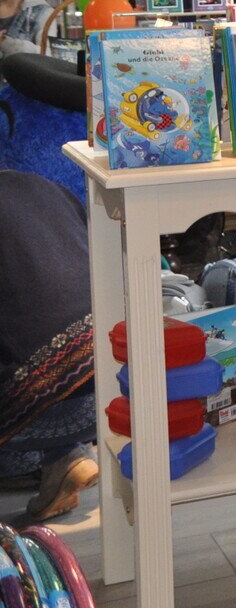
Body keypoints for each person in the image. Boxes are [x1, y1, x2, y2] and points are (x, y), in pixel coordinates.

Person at [0, 169, 98, 520]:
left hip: (41, 407)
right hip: (114, 390)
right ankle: (63, 457)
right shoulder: (45, 187)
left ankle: (61, 453)